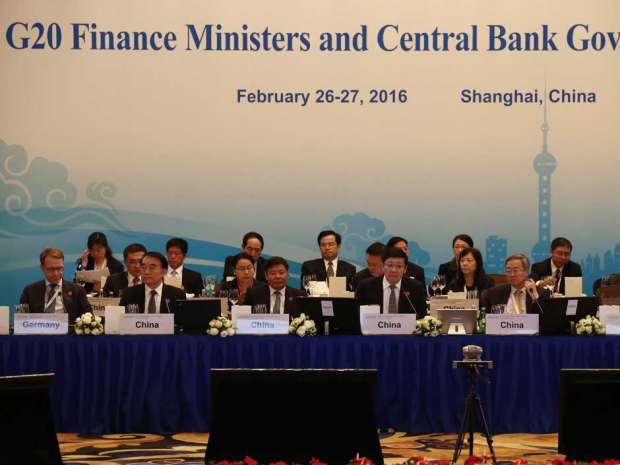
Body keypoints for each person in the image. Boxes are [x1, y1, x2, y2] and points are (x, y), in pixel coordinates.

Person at [20, 248, 92, 322]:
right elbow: (21, 320)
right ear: (42, 268)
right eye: (51, 269)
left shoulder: (78, 291)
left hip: (69, 332)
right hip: (39, 332)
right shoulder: (29, 291)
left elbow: (88, 318)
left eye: (59, 268)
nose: (56, 273)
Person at [355, 247, 427, 317]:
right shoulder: (366, 286)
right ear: (383, 266)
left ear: (405, 269)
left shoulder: (416, 287)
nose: (393, 270)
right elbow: (358, 316)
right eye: (390, 265)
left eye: (399, 266)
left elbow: (422, 317)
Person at [480, 254, 549, 314]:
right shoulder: (494, 294)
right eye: (508, 271)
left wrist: (535, 298)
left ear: (526, 272)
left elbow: (544, 320)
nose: (512, 274)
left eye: (515, 271)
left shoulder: (540, 292)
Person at [119, 252, 186, 313]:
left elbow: (182, 322)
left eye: (152, 268)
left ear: (164, 271)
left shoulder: (177, 295)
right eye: (143, 267)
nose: (146, 272)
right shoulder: (128, 294)